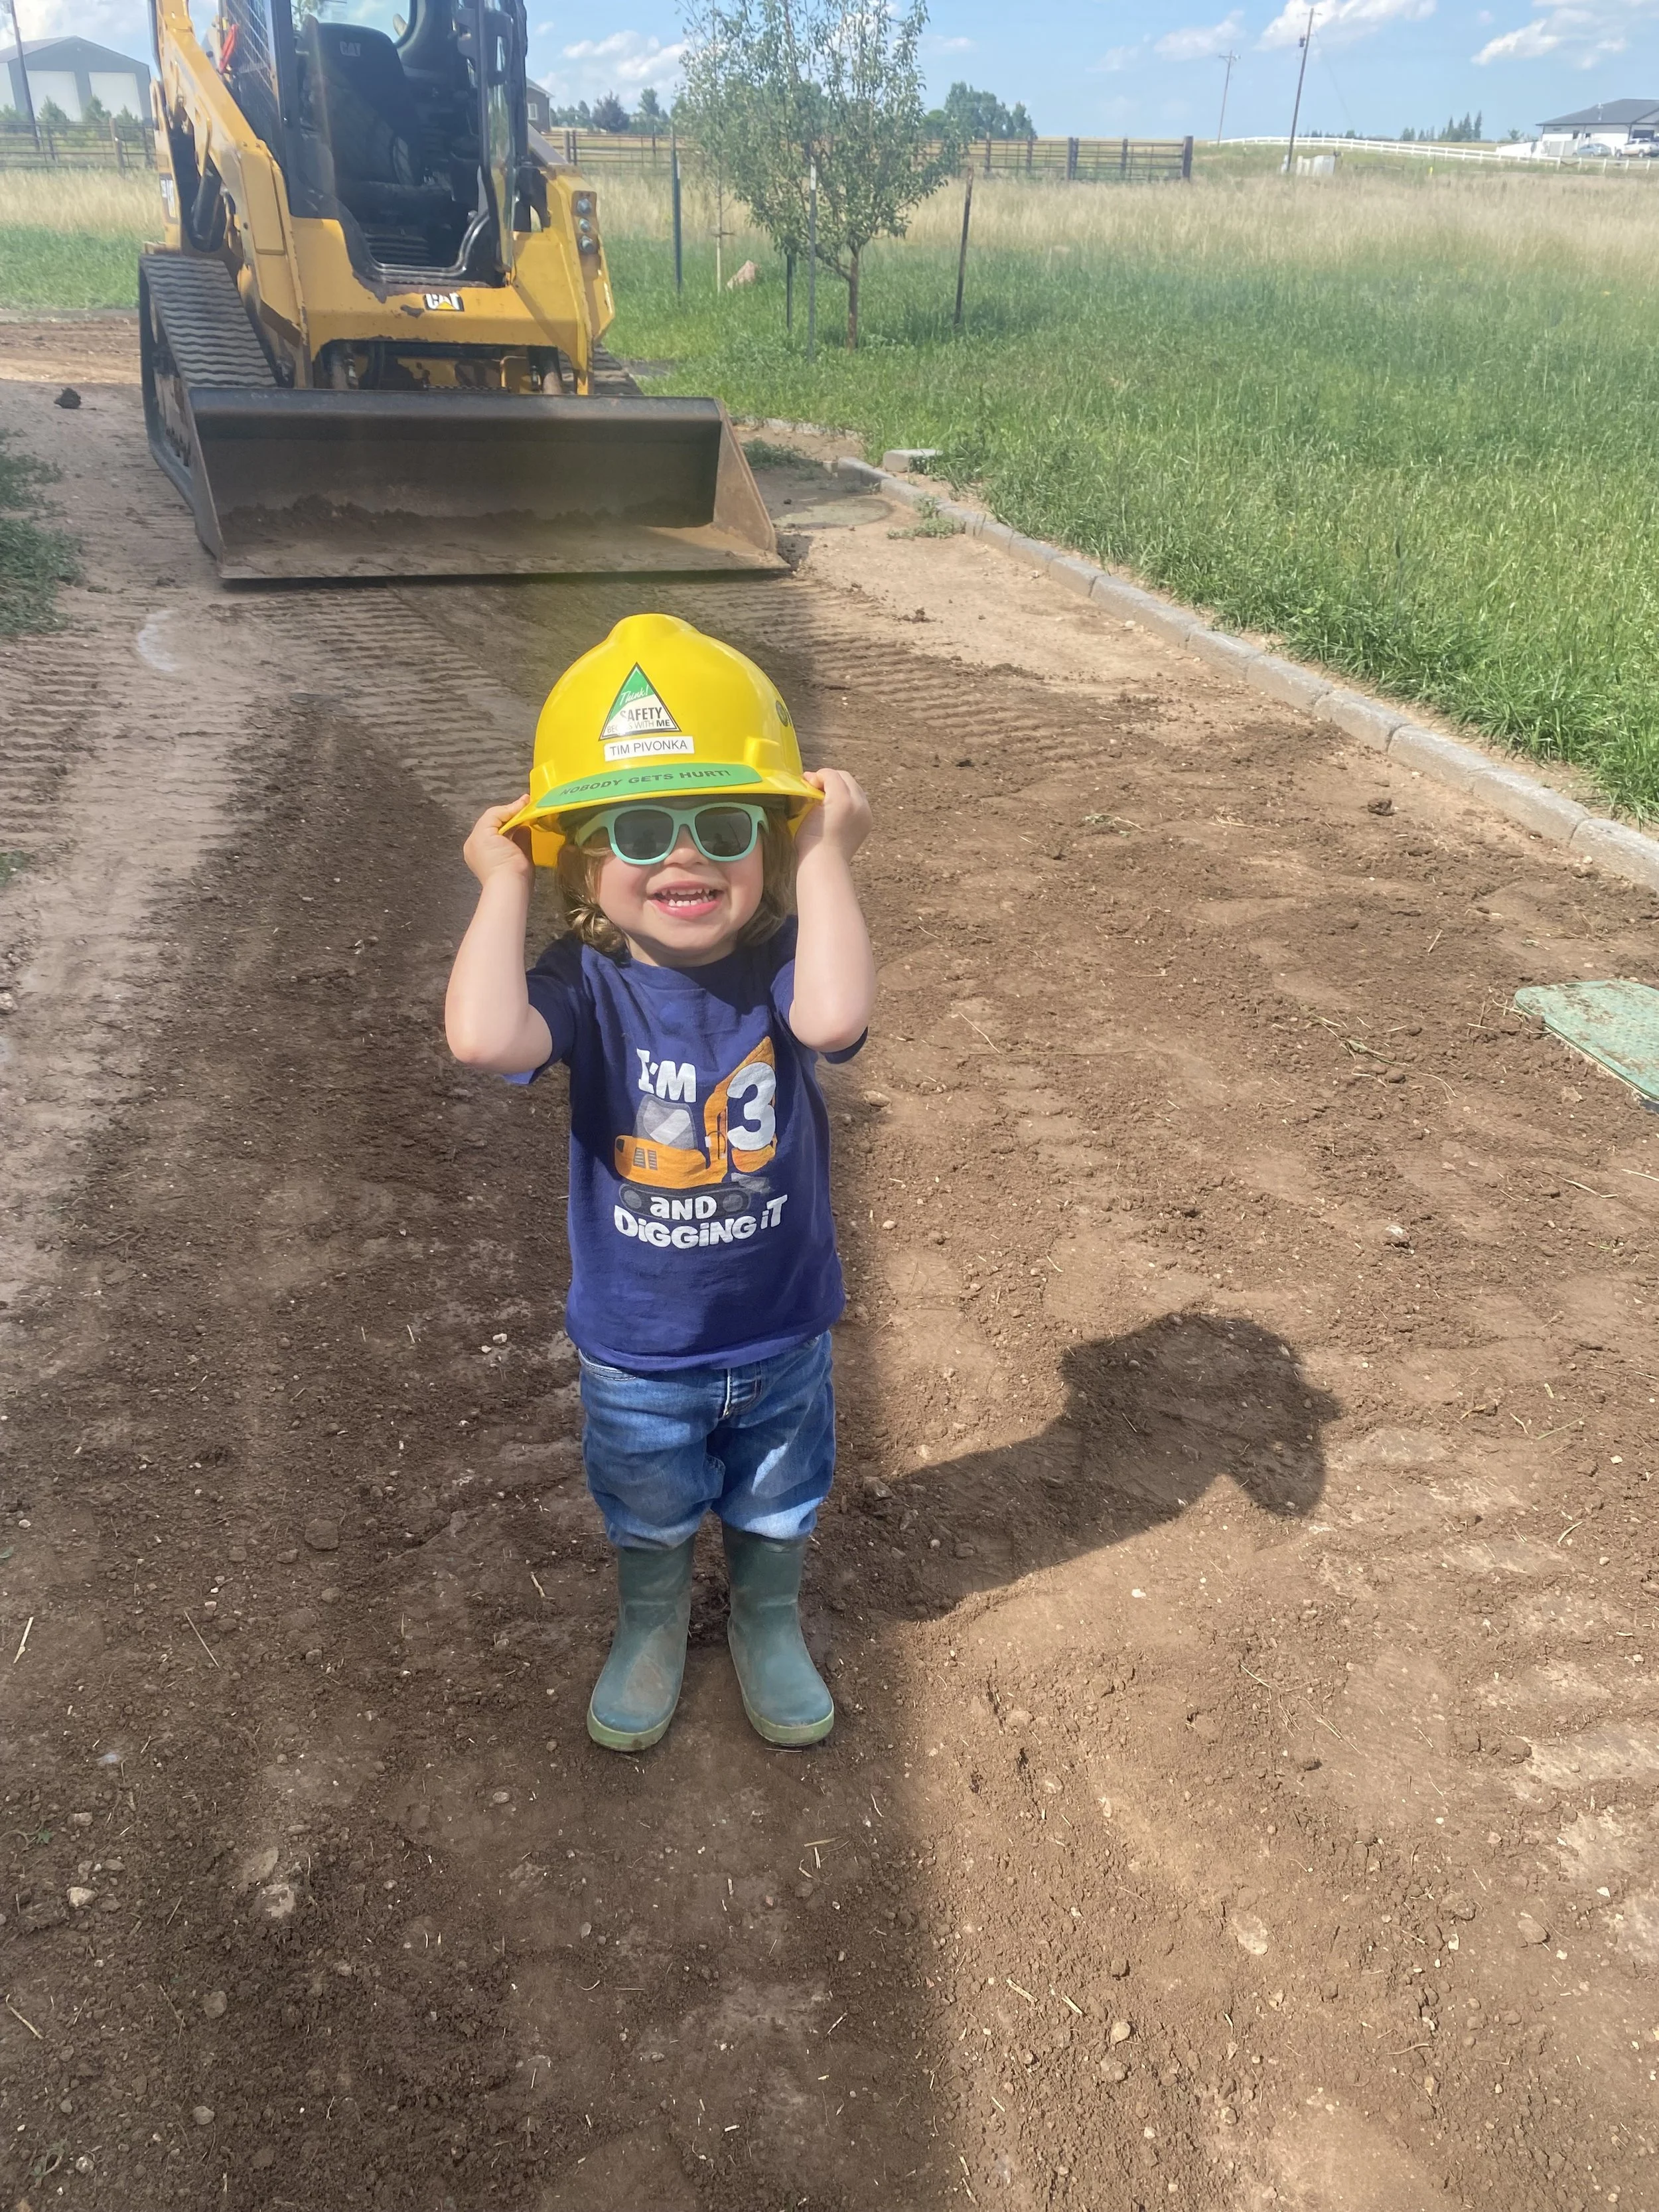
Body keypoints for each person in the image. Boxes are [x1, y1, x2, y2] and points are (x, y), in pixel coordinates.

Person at [444, 613, 874, 1753]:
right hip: (638, 1347)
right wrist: (502, 876)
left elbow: (834, 1019)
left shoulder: (784, 967)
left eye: (725, 824)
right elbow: (487, 1040)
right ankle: (654, 1621)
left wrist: (826, 852)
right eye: (639, 827)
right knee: (648, 1500)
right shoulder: (582, 984)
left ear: (770, 853)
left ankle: (767, 1617)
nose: (683, 855)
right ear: (582, 862)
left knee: (781, 1492)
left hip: (782, 1331)